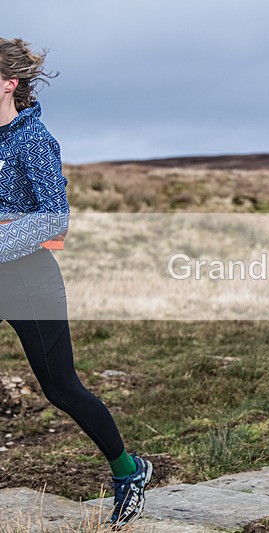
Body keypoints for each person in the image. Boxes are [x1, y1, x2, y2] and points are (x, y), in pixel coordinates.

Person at [0, 38, 152, 528]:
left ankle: (128, 472)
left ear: (10, 83)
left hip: (29, 280)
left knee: (61, 388)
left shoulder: (33, 140)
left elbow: (53, 218)